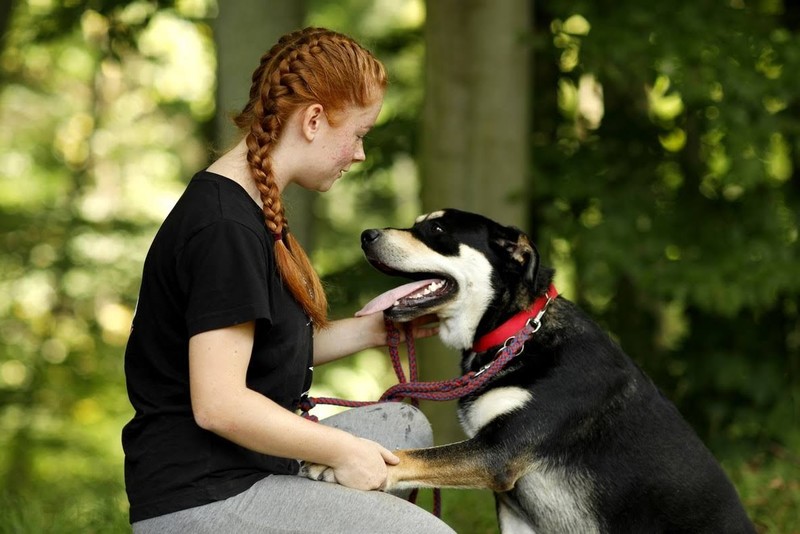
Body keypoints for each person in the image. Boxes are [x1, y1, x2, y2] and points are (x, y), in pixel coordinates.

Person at [122, 27, 455, 534]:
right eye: (359, 134)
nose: (360, 154)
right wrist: (343, 450)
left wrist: (375, 328)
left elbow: (261, 351)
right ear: (315, 119)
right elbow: (220, 405)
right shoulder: (223, 228)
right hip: (203, 491)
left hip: (246, 464)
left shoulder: (250, 207)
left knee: (401, 429)